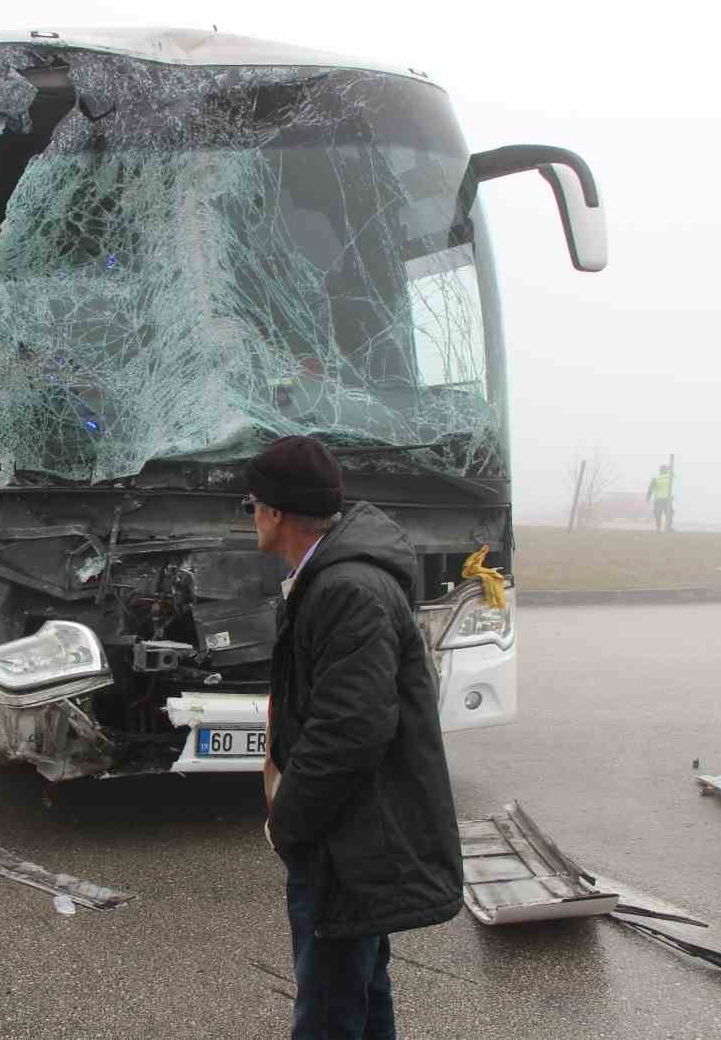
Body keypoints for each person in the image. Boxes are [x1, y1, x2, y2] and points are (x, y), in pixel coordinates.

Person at [250, 435, 462, 1039]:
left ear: (276, 513)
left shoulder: (348, 590)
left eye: (252, 505)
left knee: (329, 1012)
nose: (251, 517)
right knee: (361, 996)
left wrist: (287, 823)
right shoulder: (330, 579)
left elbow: (349, 731)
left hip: (348, 843)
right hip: (351, 836)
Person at [646, 463, 675, 532]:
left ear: (660, 470)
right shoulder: (669, 476)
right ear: (666, 470)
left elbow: (651, 488)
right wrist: (669, 468)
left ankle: (659, 528)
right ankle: (668, 527)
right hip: (666, 499)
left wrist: (648, 497)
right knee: (669, 514)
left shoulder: (656, 477)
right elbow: (651, 487)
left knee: (658, 514)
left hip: (659, 499)